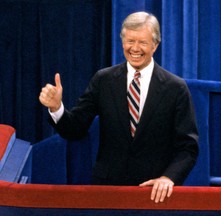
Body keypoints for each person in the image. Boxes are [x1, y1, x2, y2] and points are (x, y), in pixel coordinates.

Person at [39, 11, 199, 203]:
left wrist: (168, 178)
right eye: (130, 41)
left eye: (143, 42)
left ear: (155, 45)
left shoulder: (176, 88)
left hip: (154, 193)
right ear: (123, 42)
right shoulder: (103, 80)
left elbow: (188, 147)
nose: (135, 48)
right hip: (108, 191)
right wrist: (57, 108)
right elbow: (75, 129)